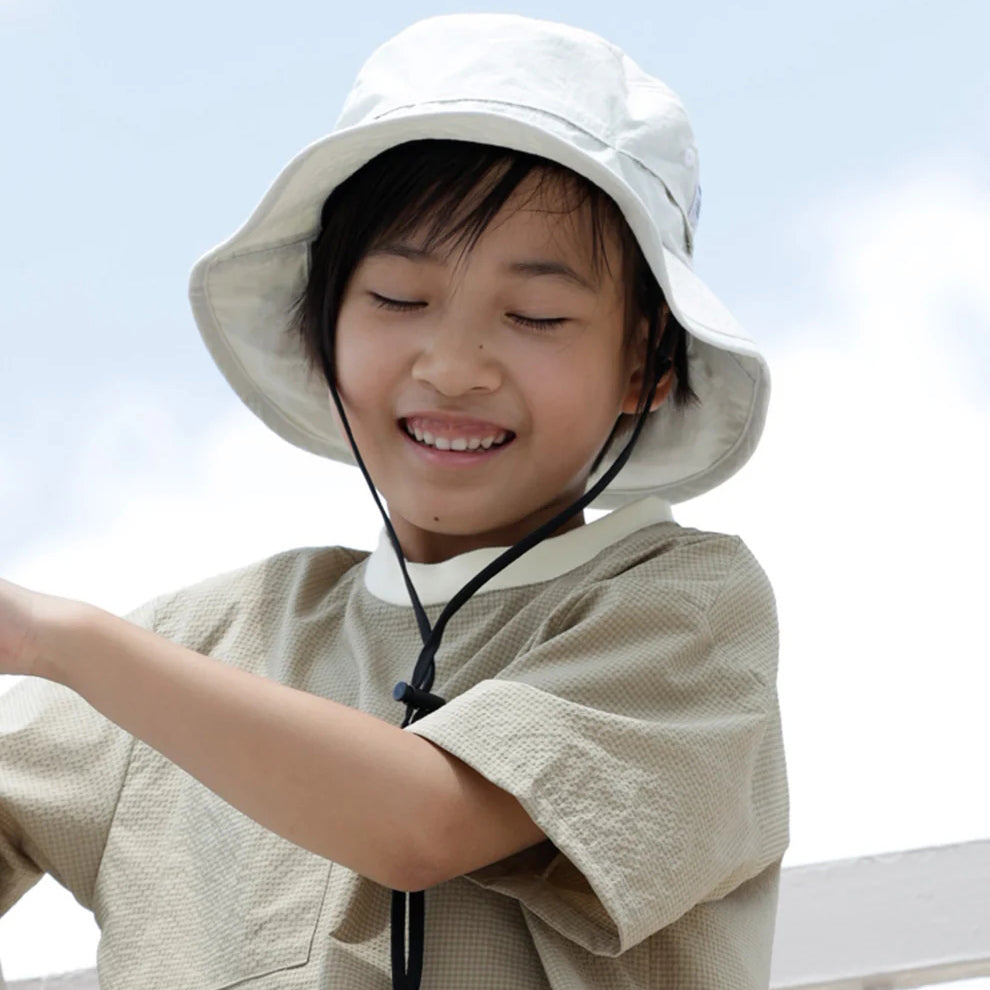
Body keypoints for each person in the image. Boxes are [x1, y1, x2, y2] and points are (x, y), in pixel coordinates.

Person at [0, 13, 789, 990]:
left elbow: (423, 823)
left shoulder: (679, 615)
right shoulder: (200, 640)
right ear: (320, 324)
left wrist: (52, 639)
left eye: (537, 315)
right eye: (399, 299)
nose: (455, 366)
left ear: (647, 365)